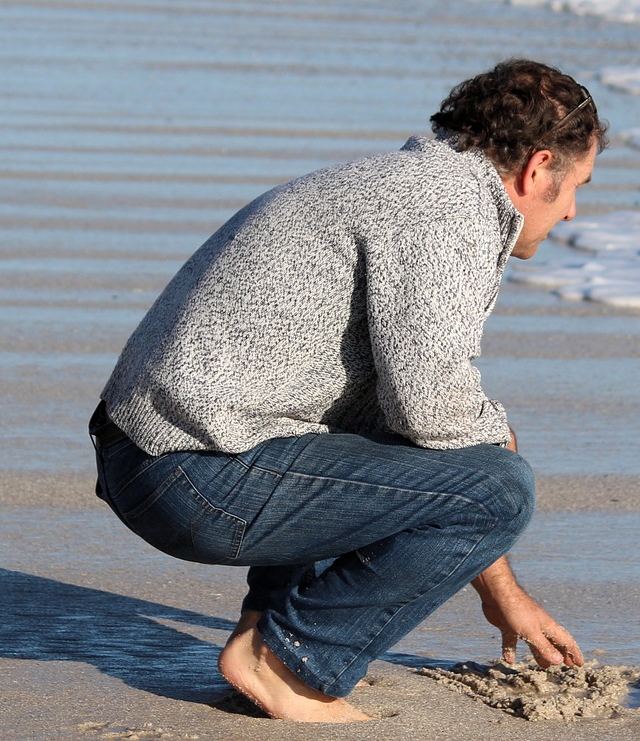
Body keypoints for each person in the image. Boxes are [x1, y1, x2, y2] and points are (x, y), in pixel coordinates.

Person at [87, 59, 607, 722]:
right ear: (537, 168)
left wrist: (499, 591)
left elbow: (414, 422)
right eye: (576, 186)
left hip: (165, 455)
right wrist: (495, 450)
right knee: (500, 483)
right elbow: (435, 411)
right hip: (187, 472)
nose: (571, 211)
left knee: (414, 441)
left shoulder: (417, 184)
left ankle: (267, 630)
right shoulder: (444, 210)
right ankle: (292, 663)